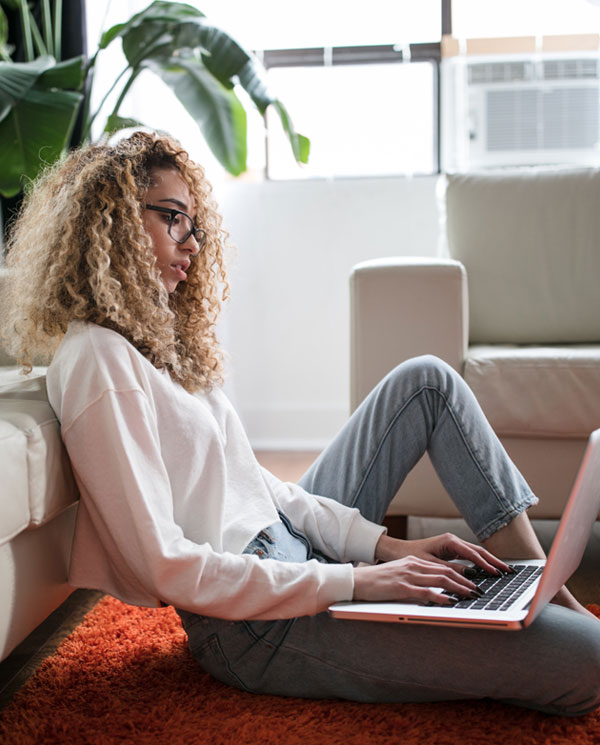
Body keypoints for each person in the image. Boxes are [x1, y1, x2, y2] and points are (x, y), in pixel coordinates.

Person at [2, 131, 599, 716]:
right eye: (173, 219)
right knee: (588, 662)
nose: (192, 244)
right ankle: (543, 614)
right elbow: (164, 564)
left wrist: (382, 546)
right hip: (255, 627)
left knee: (426, 381)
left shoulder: (163, 345)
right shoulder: (97, 359)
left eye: (194, 225)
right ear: (114, 222)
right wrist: (357, 583)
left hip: (294, 554)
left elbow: (260, 488)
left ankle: (537, 585)